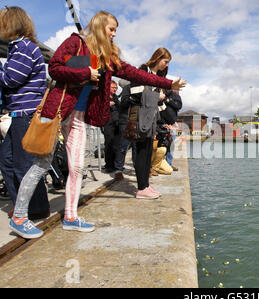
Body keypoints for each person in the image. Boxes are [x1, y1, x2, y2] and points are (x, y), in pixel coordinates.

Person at [9, 11, 186, 239]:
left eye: (115, 30)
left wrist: (169, 83)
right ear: (100, 26)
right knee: (41, 163)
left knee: (78, 167)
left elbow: (137, 74)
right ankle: (20, 217)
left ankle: (71, 217)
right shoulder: (75, 42)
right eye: (111, 29)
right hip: (57, 112)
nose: (114, 33)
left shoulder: (109, 58)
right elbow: (54, 68)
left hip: (79, 117)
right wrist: (85, 73)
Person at [0, 6, 51, 221]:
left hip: (25, 113)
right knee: (7, 161)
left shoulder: (24, 47)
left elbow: (11, 79)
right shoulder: (19, 48)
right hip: (18, 113)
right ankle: (24, 205)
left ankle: (36, 209)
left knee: (23, 165)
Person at [121, 47, 177, 199]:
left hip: (149, 118)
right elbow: (134, 92)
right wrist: (156, 96)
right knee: (141, 152)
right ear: (158, 59)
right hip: (140, 117)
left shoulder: (155, 76)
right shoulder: (143, 70)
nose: (166, 65)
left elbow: (157, 102)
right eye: (165, 62)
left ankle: (145, 184)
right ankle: (141, 188)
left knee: (147, 153)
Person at [102, 80, 127, 179]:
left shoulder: (116, 97)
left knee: (117, 144)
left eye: (116, 88)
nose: (115, 89)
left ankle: (116, 165)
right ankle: (109, 165)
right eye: (113, 87)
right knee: (108, 143)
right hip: (108, 123)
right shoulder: (104, 97)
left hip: (117, 122)